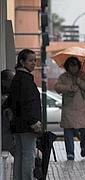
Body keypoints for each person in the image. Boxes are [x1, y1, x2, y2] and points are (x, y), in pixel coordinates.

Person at [54, 57, 85, 160]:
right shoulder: (63, 77)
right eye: (71, 65)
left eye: (75, 65)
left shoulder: (84, 76)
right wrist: (69, 88)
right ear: (67, 67)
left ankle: (84, 145)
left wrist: (80, 82)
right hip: (68, 109)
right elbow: (57, 87)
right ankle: (70, 153)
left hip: (82, 108)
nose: (73, 68)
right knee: (68, 131)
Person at [10, 49, 42, 180]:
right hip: (28, 125)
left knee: (19, 154)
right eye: (30, 60)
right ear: (22, 62)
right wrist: (34, 122)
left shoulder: (17, 78)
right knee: (28, 155)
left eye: (35, 60)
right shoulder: (25, 80)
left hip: (18, 124)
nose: (34, 63)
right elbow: (26, 103)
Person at [2, 69, 15, 155]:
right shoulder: (4, 98)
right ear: (4, 82)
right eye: (11, 80)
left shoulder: (10, 94)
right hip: (6, 137)